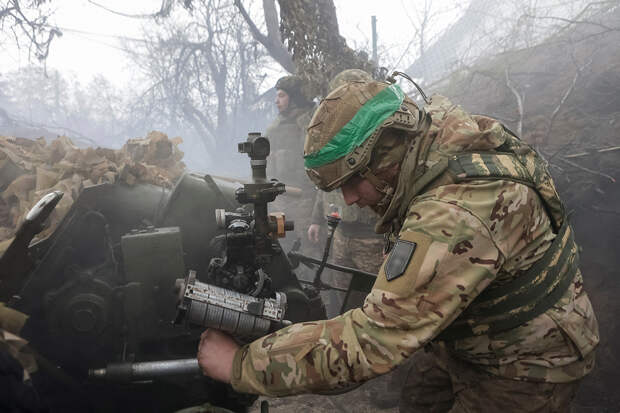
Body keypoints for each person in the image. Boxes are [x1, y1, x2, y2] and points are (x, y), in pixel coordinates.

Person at [197, 78, 599, 412]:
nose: (351, 199)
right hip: (466, 333)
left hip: (527, 361)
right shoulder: (428, 137)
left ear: (387, 152)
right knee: (419, 400)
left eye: (354, 180)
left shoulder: (456, 214)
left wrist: (240, 364)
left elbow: (369, 343)